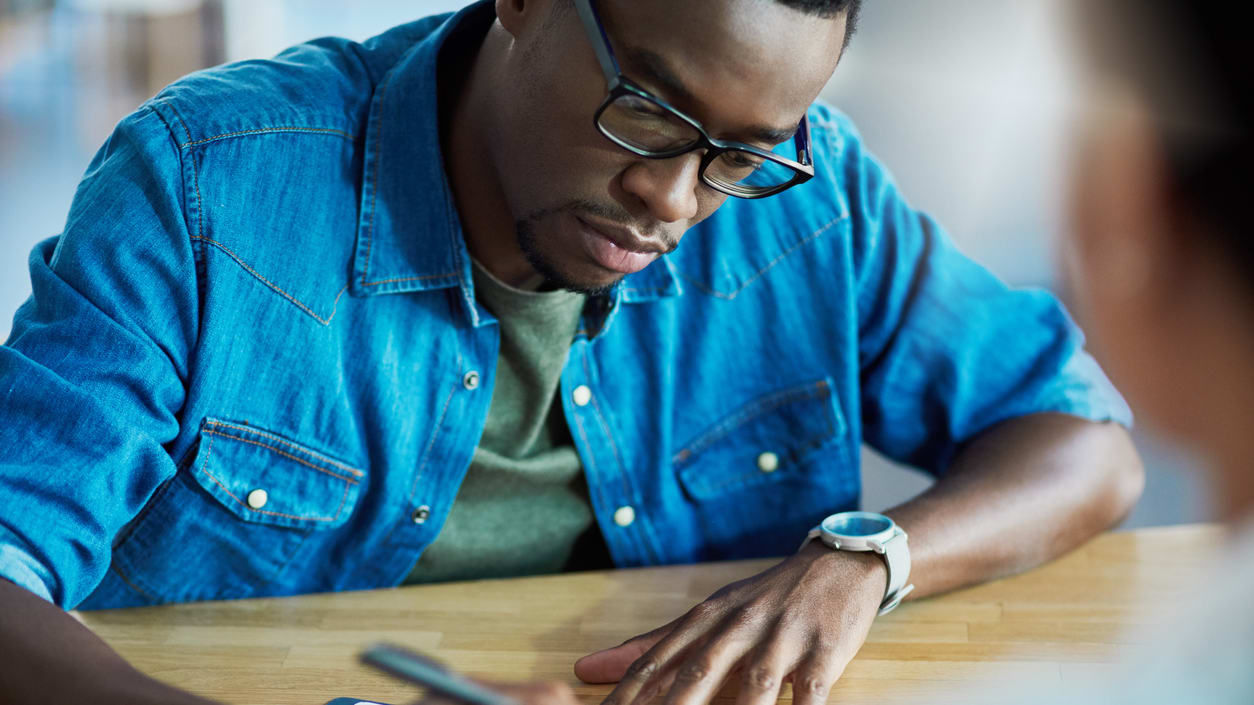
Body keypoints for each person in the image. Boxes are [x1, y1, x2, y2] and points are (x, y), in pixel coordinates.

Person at [0, 0, 1144, 703]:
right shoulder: (207, 186)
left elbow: (1086, 445)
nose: (672, 198)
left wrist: (863, 564)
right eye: (645, 111)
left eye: (740, 156)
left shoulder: (813, 197)